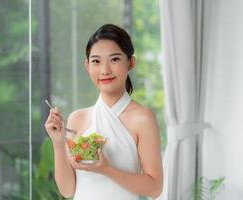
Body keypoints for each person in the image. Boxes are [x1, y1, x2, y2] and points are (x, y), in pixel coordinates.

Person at [44, 24, 163, 200]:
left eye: (114, 59)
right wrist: (58, 143)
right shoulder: (77, 119)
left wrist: (106, 169)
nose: (105, 70)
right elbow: (68, 190)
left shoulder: (142, 118)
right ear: (87, 66)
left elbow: (154, 188)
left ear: (130, 63)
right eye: (96, 61)